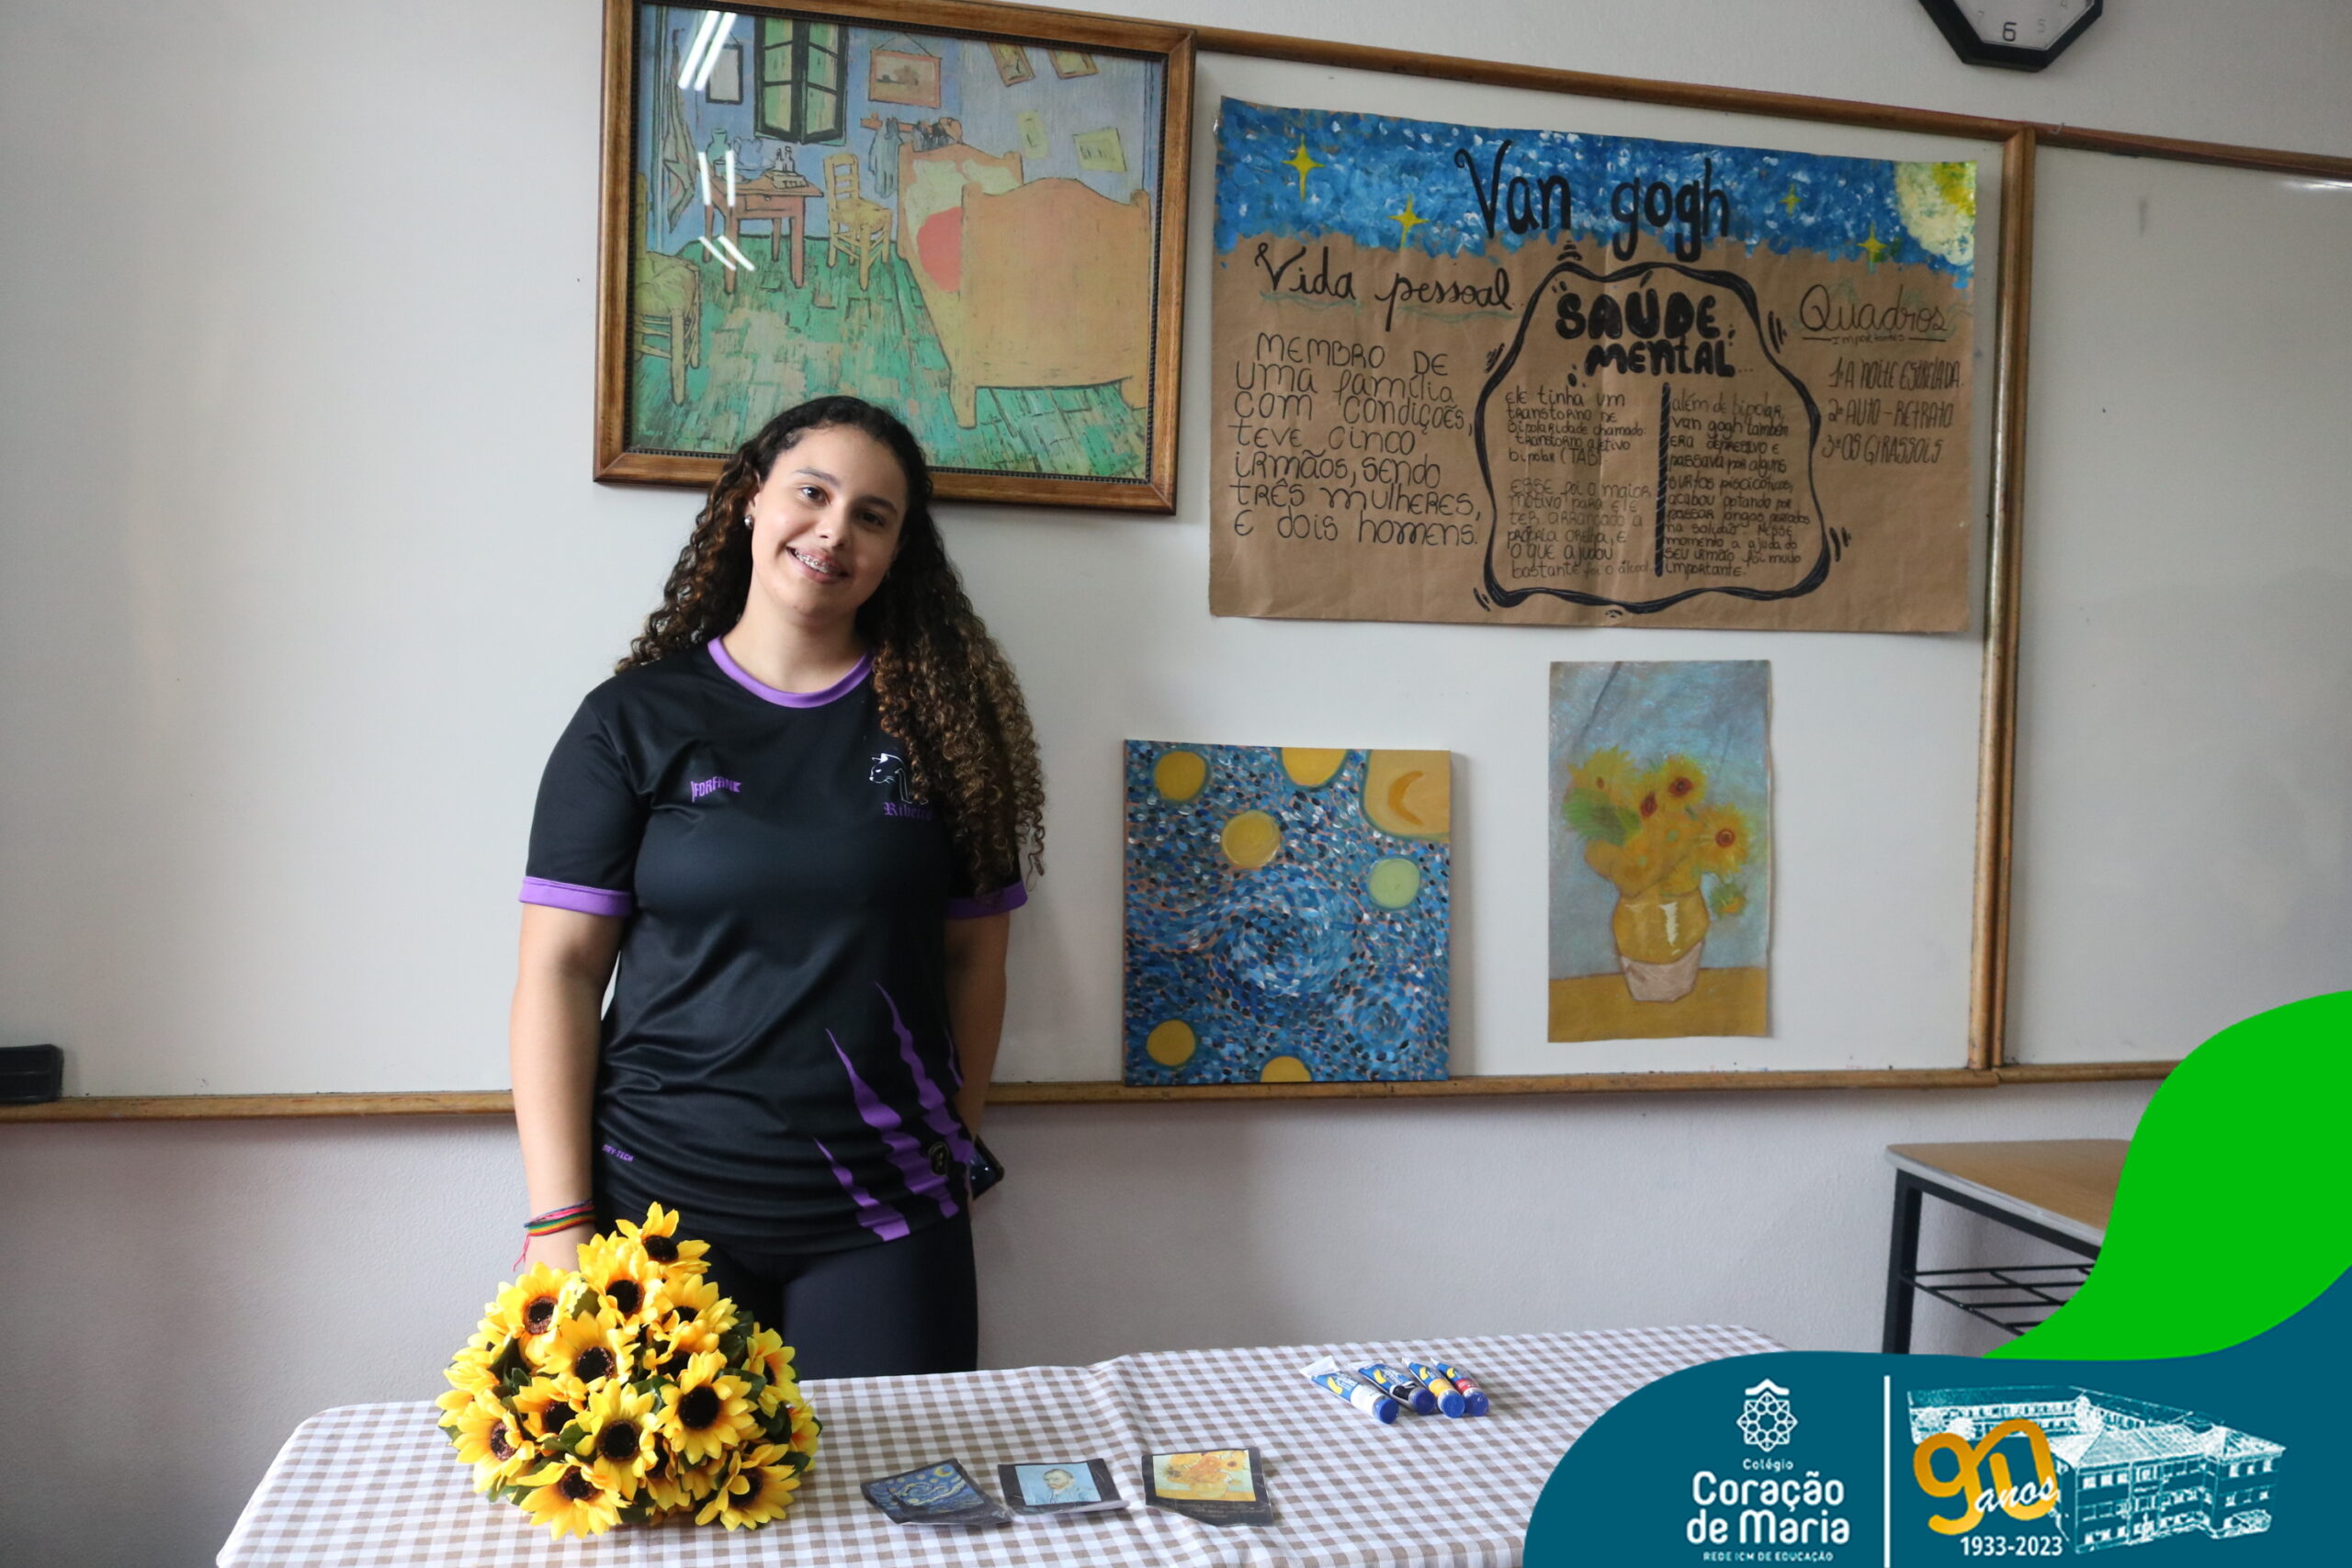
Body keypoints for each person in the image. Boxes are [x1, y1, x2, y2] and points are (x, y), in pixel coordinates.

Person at [507, 395, 1043, 1379]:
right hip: (658, 1207)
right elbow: (559, 974)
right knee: (667, 1482)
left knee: (902, 1482)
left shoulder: (946, 729)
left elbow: (977, 962)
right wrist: (558, 1219)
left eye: (872, 516)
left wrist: (953, 1146)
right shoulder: (628, 721)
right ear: (752, 501)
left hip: (889, 1216)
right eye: (813, 493)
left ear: (896, 552)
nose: (834, 532)